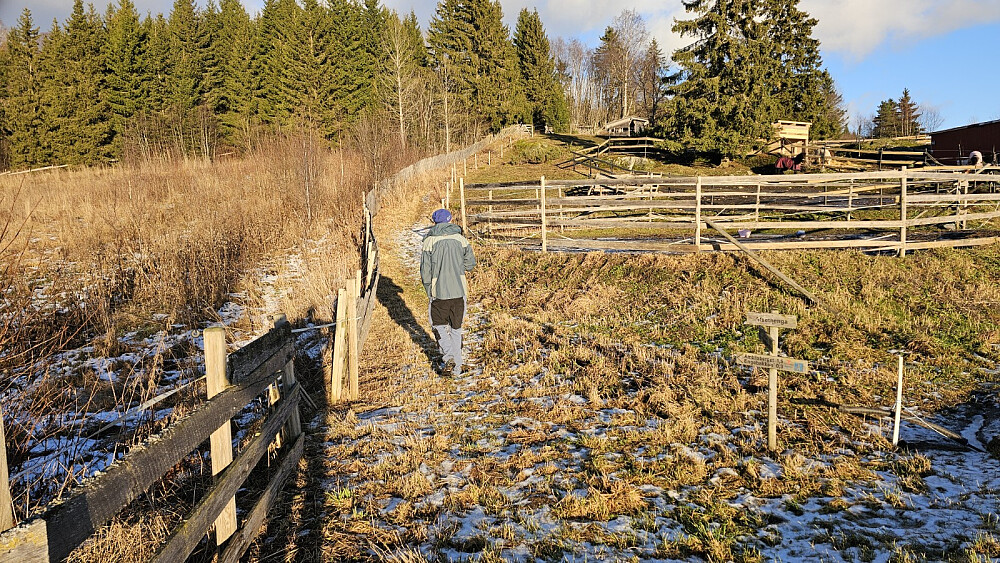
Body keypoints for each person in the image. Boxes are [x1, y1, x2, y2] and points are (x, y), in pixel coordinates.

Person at [420, 209, 476, 376]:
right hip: (459, 290)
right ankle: (457, 366)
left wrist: (429, 290)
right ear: (451, 220)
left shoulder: (428, 241)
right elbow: (470, 264)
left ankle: (450, 357)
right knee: (456, 328)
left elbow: (425, 272)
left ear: (434, 222)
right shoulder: (461, 239)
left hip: (439, 292)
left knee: (438, 326)